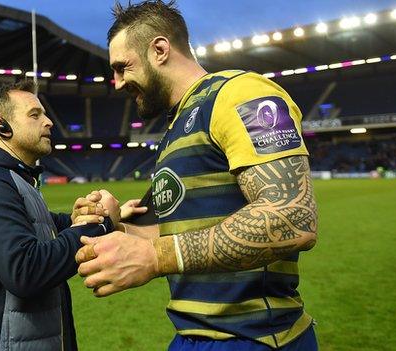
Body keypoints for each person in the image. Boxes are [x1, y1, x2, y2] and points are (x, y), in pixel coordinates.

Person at [75, 1, 319, 350]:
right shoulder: (176, 128)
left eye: (122, 67)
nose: (116, 83)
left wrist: (156, 258)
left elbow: (293, 216)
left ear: (159, 50)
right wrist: (116, 224)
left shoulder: (241, 93)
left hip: (253, 338)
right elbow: (171, 232)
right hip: (191, 336)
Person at [0, 81, 122, 351]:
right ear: (2, 127)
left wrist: (83, 216)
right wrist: (103, 225)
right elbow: (25, 270)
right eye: (35, 115)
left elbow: (42, 225)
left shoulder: (13, 178)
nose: (49, 122)